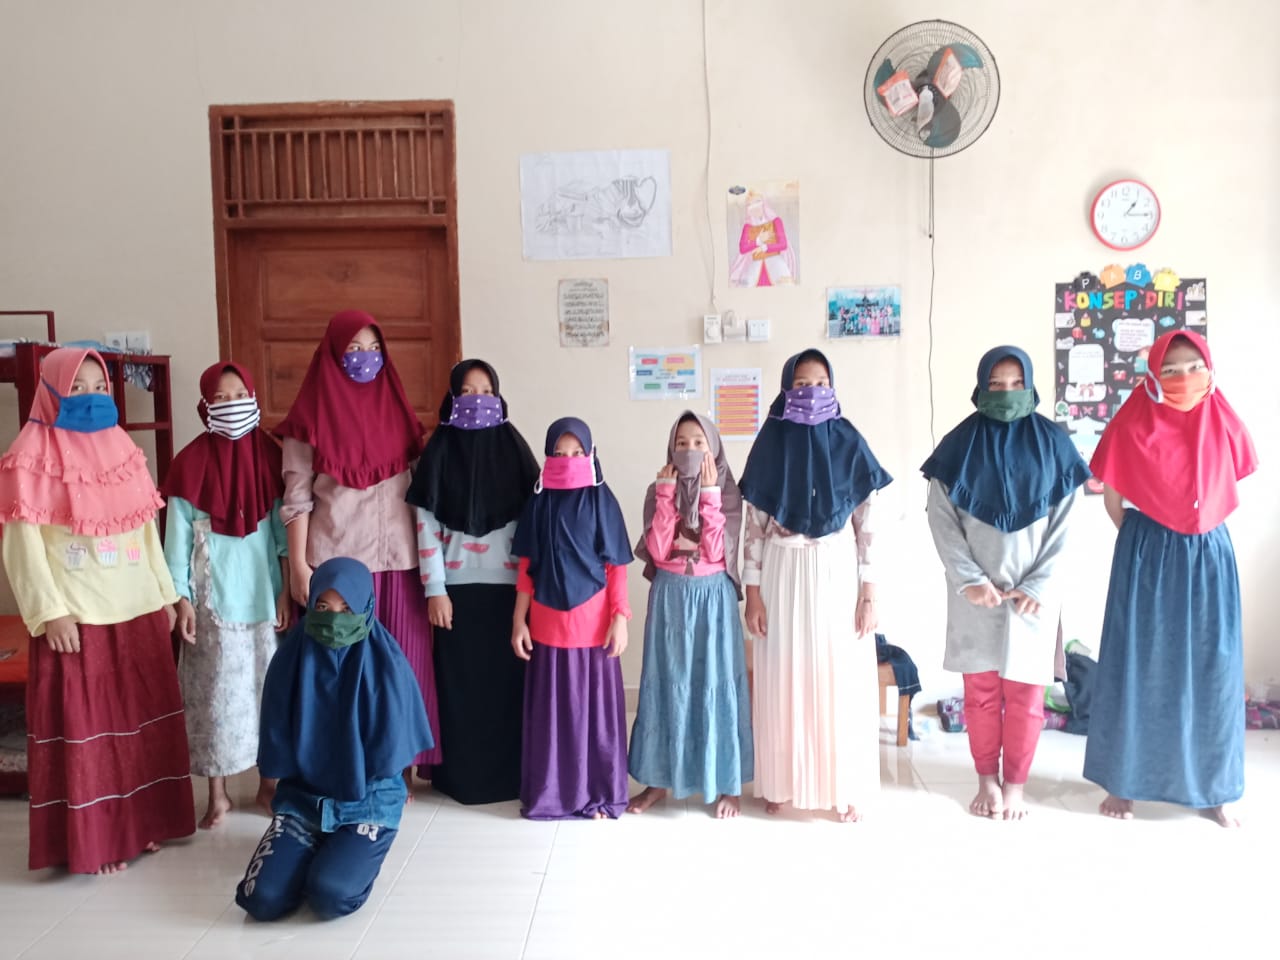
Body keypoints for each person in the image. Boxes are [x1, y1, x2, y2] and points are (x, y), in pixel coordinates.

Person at [0, 347, 194, 873]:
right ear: (51, 393)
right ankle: (99, 841)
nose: (90, 397)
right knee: (91, 732)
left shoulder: (124, 448)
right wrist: (49, 611)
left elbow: (146, 529)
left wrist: (165, 595)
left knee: (138, 723)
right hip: (78, 616)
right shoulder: (28, 455)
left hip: (137, 608)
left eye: (99, 387)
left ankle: (143, 825)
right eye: (76, 388)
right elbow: (22, 547)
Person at [1084, 330, 1256, 827]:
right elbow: (1113, 500)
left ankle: (1216, 790)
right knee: (1139, 664)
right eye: (1171, 370)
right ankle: (1124, 783)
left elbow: (1226, 483)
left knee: (1214, 668)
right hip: (1147, 552)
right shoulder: (1131, 420)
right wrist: (1148, 540)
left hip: (1209, 555)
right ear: (1153, 375)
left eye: (1194, 367)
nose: (1185, 377)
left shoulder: (1221, 416)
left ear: (1209, 369)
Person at [922, 346, 1090, 819]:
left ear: (1031, 386)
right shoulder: (958, 447)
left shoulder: (1054, 444)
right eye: (996, 384)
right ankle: (986, 780)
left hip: (1033, 598)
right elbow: (941, 518)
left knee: (1026, 697)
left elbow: (1067, 524)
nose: (1007, 393)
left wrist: (1039, 585)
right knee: (980, 695)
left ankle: (1015, 784)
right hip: (975, 596)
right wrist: (969, 580)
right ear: (980, 388)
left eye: (1017, 383)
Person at [276, 309, 440, 788]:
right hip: (338, 568)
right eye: (353, 349)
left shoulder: (399, 411)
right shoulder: (308, 419)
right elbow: (296, 499)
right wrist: (299, 567)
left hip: (398, 561)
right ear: (332, 353)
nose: (365, 359)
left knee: (400, 669)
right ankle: (344, 763)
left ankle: (397, 769)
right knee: (343, 672)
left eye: (374, 349)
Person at [739, 349, 892, 822]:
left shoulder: (850, 444)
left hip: (836, 575)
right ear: (786, 391)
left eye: (821, 383)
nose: (812, 393)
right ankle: (781, 782)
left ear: (833, 387)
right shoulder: (769, 446)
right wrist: (753, 594)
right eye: (802, 385)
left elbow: (868, 527)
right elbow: (754, 527)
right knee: (783, 678)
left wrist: (869, 594)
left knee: (839, 680)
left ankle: (845, 787)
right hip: (781, 575)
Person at [235, 557, 433, 920]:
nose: (334, 621)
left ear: (365, 608)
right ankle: (317, 847)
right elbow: (276, 738)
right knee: (261, 899)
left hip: (367, 801)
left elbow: (393, 752)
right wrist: (272, 788)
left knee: (331, 897)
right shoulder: (291, 659)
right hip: (304, 800)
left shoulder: (387, 664)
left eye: (346, 609)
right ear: (310, 605)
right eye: (323, 608)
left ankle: (347, 850)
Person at [405, 359, 539, 804]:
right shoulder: (438, 454)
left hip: (509, 594)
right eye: (466, 392)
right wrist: (435, 589)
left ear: (499, 398)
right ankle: (459, 777)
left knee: (506, 686)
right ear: (452, 399)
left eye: (485, 392)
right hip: (456, 593)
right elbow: (425, 527)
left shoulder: (517, 454)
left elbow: (533, 529)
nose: (477, 401)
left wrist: (528, 594)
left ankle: (510, 775)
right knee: (460, 686)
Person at [163, 361, 291, 828]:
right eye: (221, 399)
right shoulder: (188, 465)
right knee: (214, 700)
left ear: (253, 399)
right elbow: (175, 544)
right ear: (205, 406)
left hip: (263, 601)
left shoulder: (271, 458)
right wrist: (181, 599)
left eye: (240, 397)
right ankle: (216, 794)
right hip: (211, 605)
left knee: (266, 694)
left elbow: (282, 536)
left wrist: (286, 591)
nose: (232, 406)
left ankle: (268, 783)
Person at [627, 411, 754, 819]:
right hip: (670, 598)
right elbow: (658, 549)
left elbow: (718, 551)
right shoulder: (657, 489)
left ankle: (728, 783)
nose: (690, 450)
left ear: (713, 448)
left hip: (713, 599)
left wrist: (710, 496)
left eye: (699, 443)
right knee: (668, 685)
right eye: (681, 443)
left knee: (716, 684)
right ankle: (658, 780)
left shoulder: (729, 492)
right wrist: (667, 496)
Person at [510, 418, 633, 820]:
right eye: (560, 454)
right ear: (548, 457)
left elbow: (616, 566)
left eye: (577, 453)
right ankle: (554, 796)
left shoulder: (602, 501)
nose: (569, 460)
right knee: (554, 715)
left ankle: (598, 793)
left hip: (593, 624)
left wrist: (620, 617)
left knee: (593, 717)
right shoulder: (538, 502)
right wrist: (518, 621)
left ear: (591, 454)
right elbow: (526, 568)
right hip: (546, 623)